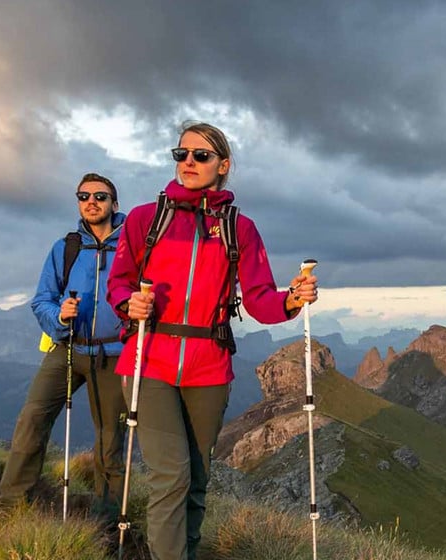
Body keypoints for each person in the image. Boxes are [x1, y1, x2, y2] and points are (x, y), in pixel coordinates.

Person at [107, 122, 318, 560]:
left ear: (222, 166)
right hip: (149, 362)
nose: (188, 162)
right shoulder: (147, 219)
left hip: (209, 366)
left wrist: (292, 299)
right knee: (172, 476)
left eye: (200, 156)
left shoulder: (239, 227)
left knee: (198, 480)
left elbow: (260, 299)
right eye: (181, 154)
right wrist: (129, 304)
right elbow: (119, 283)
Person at [0, 173, 130, 509]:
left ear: (115, 204)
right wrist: (60, 315)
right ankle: (13, 502)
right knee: (32, 418)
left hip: (115, 354)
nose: (91, 202)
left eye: (100, 197)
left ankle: (109, 516)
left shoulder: (134, 247)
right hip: (67, 348)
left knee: (110, 439)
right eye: (83, 196)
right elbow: (42, 299)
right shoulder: (66, 248)